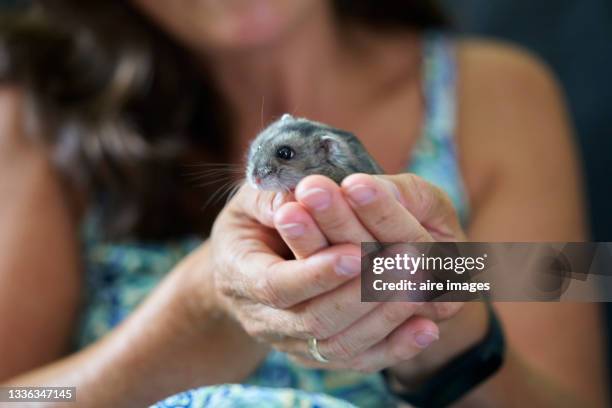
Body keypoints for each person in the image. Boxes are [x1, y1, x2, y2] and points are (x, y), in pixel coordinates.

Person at [0, 0, 606, 406]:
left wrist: (443, 304)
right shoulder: (31, 120)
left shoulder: (504, 91)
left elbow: (575, 276)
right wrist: (203, 305)